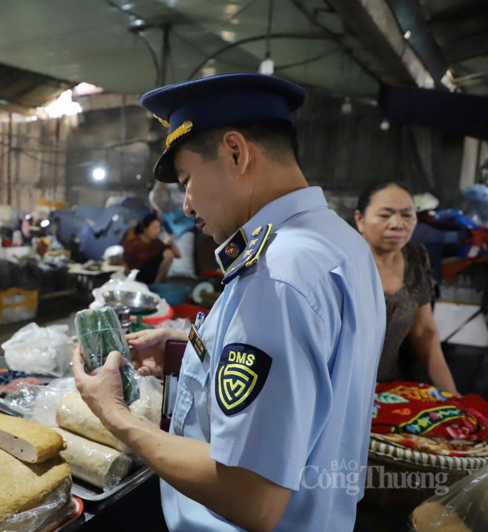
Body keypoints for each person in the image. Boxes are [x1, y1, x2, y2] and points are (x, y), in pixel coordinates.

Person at [71, 73, 386, 532]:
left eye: (187, 181)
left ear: (237, 154)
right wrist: (183, 351)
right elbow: (309, 382)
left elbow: (250, 495)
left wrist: (114, 414)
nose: (187, 206)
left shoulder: (277, 274)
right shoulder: (339, 243)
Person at [354, 181, 460, 396]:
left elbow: (424, 331)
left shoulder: (415, 257)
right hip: (336, 389)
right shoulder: (341, 262)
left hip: (385, 389)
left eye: (407, 215)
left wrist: (454, 396)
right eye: (385, 215)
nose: (397, 224)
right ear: (360, 220)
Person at [122, 213, 181, 284]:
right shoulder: (134, 242)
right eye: (154, 228)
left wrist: (172, 243)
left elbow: (178, 255)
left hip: (152, 276)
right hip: (136, 276)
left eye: (159, 228)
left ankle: (156, 283)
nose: (158, 231)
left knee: (169, 253)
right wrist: (132, 281)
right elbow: (124, 263)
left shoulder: (157, 242)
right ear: (145, 229)